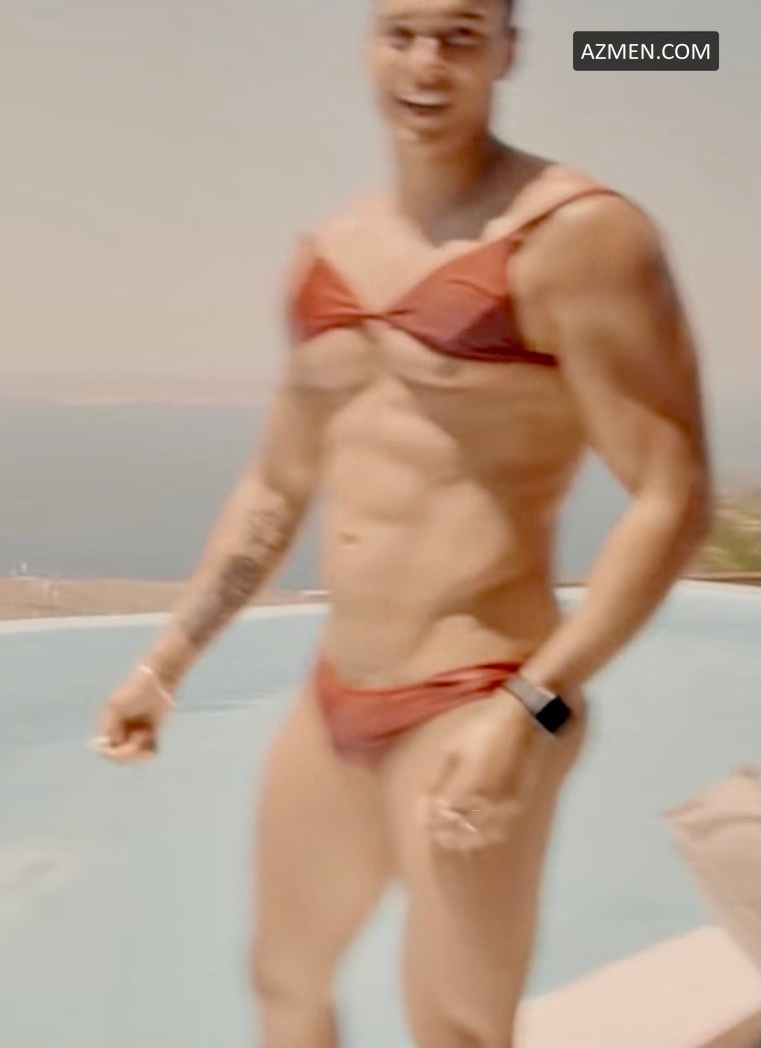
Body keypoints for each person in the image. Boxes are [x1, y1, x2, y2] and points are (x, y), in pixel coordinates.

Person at [91, 0, 712, 1044]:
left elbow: (671, 494)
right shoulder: (326, 251)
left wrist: (527, 708)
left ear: (506, 51)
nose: (426, 63)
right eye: (401, 32)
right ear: (369, 42)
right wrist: (168, 661)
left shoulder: (579, 236)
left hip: (483, 693)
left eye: (460, 35)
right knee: (283, 982)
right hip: (337, 694)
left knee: (455, 1026)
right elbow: (278, 485)